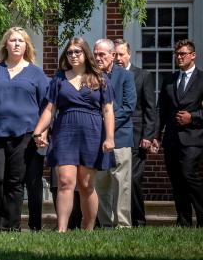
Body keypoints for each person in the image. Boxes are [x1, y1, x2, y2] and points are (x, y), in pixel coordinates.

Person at [0, 27, 50, 232]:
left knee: (15, 182)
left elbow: (47, 107)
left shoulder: (36, 73)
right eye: (12, 40)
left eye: (21, 41)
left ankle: (9, 226)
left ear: (26, 46)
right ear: (6, 44)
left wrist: (43, 133)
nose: (16, 44)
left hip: (24, 136)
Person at [32, 37, 115, 232]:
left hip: (92, 132)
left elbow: (108, 110)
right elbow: (49, 109)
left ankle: (88, 229)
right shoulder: (59, 78)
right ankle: (62, 230)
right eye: (70, 52)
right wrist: (38, 131)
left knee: (86, 185)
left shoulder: (100, 78)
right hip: (65, 132)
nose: (73, 55)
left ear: (86, 54)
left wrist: (110, 137)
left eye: (78, 52)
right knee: (65, 182)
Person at [154, 39, 202, 227]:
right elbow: (161, 111)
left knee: (189, 174)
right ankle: (183, 221)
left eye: (183, 53)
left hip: (194, 138)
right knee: (176, 180)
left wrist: (193, 116)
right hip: (172, 139)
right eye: (177, 54)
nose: (179, 57)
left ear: (193, 55)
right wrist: (156, 136)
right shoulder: (169, 80)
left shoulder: (202, 79)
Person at [113, 39, 157, 227]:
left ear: (129, 54)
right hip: (116, 134)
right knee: (116, 180)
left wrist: (149, 136)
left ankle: (138, 221)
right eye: (115, 54)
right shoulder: (109, 76)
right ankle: (115, 219)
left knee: (133, 180)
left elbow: (150, 108)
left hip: (137, 137)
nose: (118, 58)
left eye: (121, 54)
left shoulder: (143, 75)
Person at [93, 38, 136, 228]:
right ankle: (106, 225)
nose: (98, 58)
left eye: (102, 54)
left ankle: (123, 225)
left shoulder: (125, 76)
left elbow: (128, 107)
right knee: (101, 184)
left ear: (112, 55)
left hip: (120, 137)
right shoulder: (90, 76)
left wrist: (107, 124)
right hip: (96, 140)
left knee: (121, 185)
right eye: (95, 54)